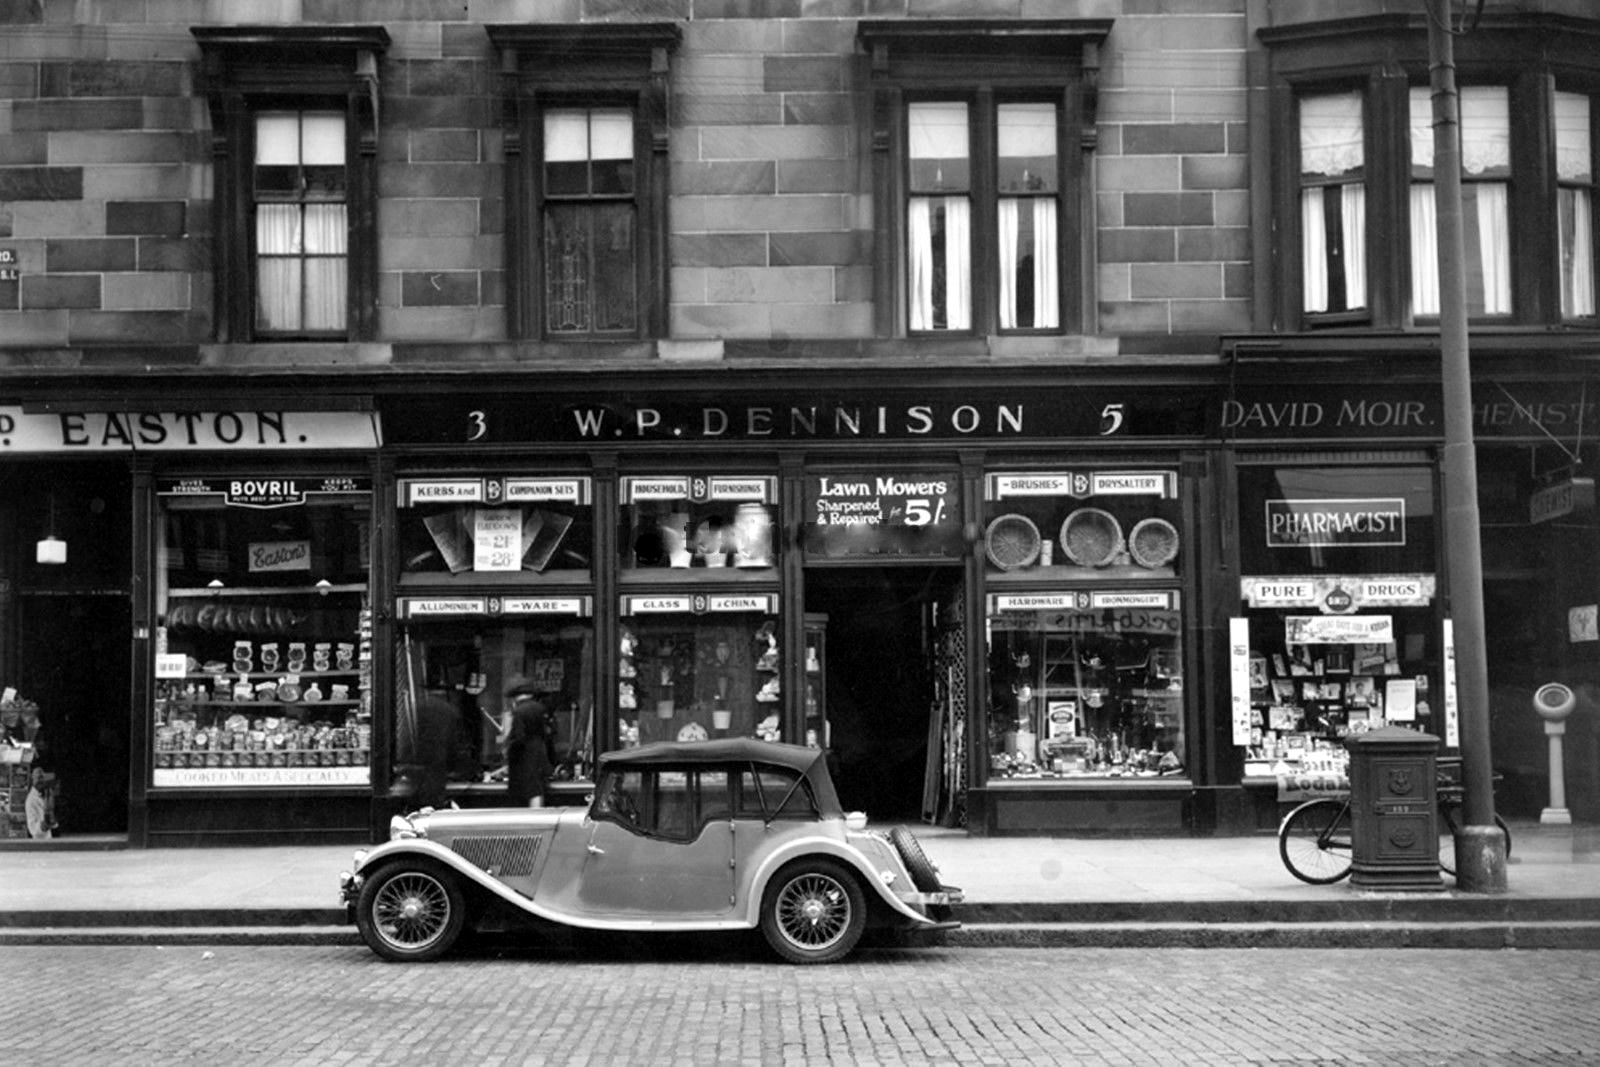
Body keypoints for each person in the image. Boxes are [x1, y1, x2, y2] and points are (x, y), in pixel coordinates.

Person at [502, 678, 557, 808]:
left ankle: (533, 817)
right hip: (540, 756)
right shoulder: (541, 709)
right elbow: (551, 733)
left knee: (530, 791)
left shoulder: (519, 712)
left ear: (515, 697)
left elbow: (518, 737)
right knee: (537, 789)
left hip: (525, 759)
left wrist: (508, 751)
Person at [413, 692, 468, 810]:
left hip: (423, 764)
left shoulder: (420, 708)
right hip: (439, 765)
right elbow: (456, 744)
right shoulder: (451, 711)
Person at [26, 768, 58, 839]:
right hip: (39, 842)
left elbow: (53, 823)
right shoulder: (30, 800)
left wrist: (51, 817)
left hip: (48, 839)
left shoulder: (42, 796)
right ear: (32, 780)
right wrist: (46, 823)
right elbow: (33, 828)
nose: (41, 780)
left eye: (42, 778)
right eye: (39, 778)